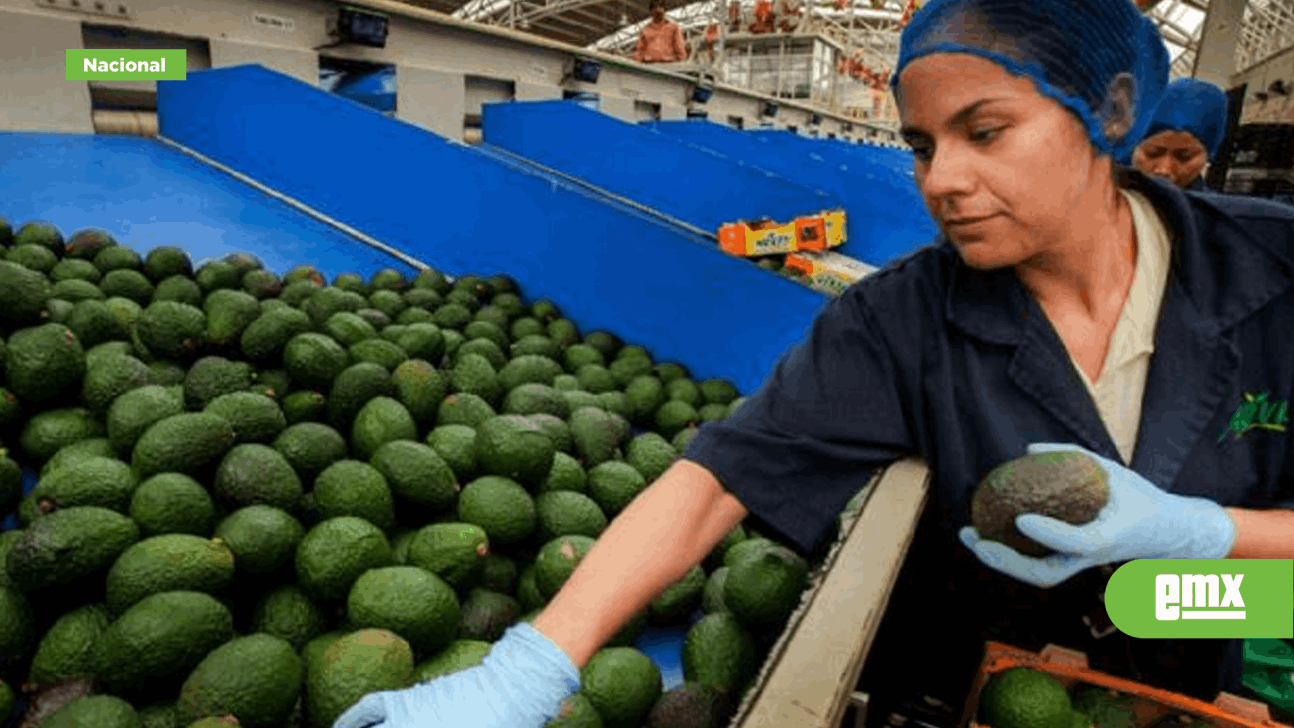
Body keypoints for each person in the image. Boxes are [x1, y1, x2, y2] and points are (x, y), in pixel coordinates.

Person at [334, 0, 1294, 725]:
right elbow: (720, 477)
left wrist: (1205, 544)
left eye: (986, 131)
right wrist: (530, 666)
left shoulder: (1274, 273)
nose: (943, 182)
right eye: (921, 146)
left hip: (1179, 671)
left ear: (1110, 111)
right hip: (961, 689)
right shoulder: (905, 316)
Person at [1130, 78, 1230, 191]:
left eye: (1184, 158)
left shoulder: (1213, 208)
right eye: (1153, 154)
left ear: (1207, 157)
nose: (1164, 170)